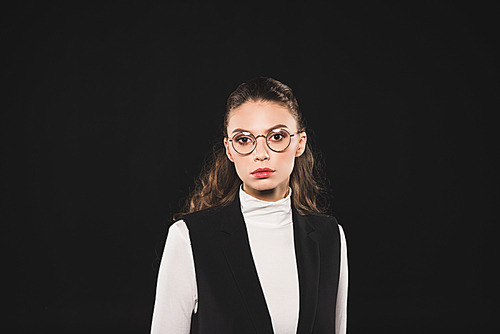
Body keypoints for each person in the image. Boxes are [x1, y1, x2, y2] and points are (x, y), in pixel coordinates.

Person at [151, 77, 348, 334]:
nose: (261, 153)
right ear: (229, 149)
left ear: (300, 143)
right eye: (244, 139)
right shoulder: (189, 238)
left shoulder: (329, 237)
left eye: (276, 136)